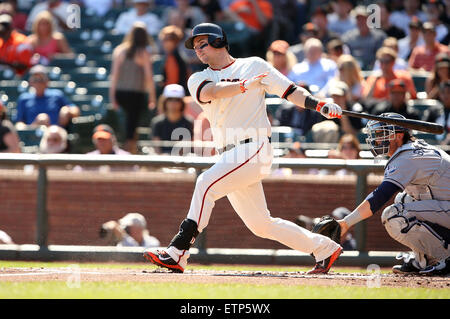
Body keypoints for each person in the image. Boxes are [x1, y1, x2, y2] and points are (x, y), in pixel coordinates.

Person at [143, 22, 344, 274]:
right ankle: (324, 247)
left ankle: (178, 250)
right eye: (195, 47)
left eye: (202, 44)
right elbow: (212, 93)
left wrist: (320, 105)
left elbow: (290, 91)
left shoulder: (255, 65)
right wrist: (243, 85)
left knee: (205, 183)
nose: (198, 51)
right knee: (261, 224)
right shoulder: (198, 77)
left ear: (218, 41)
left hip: (255, 147)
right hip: (230, 155)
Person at [336, 112, 450, 275]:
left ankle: (445, 258)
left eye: (382, 134)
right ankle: (424, 260)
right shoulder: (414, 149)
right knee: (402, 199)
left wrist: (347, 222)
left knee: (394, 215)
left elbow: (379, 197)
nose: (377, 139)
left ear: (398, 136)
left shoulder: (406, 157)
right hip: (445, 206)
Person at [109, 22, 157, 154]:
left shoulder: (120, 50)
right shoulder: (144, 53)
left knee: (128, 123)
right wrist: (152, 97)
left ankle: (127, 151)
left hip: (121, 92)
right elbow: (149, 77)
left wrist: (112, 97)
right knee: (132, 124)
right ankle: (129, 152)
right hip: (136, 94)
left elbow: (114, 76)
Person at [14, 65, 79, 129]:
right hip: (33, 137)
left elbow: (75, 110)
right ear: (30, 82)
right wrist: (34, 126)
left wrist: (67, 110)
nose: (38, 83)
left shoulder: (56, 95)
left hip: (55, 135)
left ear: (47, 81)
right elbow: (19, 124)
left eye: (41, 80)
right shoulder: (24, 99)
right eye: (35, 80)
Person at [150, 84, 194, 154]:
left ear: (182, 103)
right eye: (170, 99)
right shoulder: (157, 123)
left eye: (177, 100)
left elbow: (186, 148)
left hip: (182, 162)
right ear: (165, 102)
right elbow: (156, 147)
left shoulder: (189, 122)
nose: (173, 103)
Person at [342, 5, 387, 70]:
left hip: (375, 71)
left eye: (363, 19)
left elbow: (383, 57)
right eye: (358, 19)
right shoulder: (347, 38)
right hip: (353, 71)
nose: (361, 22)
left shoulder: (379, 37)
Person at [158, 25, 190, 92]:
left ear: (174, 41)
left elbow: (172, 81)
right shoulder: (175, 55)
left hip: (175, 95)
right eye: (163, 40)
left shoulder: (173, 57)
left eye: (166, 40)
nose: (163, 43)